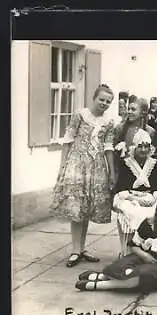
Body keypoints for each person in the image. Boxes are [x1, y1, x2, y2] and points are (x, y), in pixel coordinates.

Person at [75, 176, 157, 292]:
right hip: (148, 258)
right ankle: (101, 276)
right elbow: (133, 245)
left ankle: (99, 285)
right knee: (123, 265)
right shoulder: (151, 221)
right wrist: (145, 256)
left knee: (143, 275)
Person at [50, 84, 117, 267]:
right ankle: (75, 249)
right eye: (101, 99)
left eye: (108, 101)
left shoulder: (109, 122)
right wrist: (63, 166)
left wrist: (111, 171)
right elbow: (68, 139)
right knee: (77, 208)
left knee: (87, 208)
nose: (104, 103)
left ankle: (82, 248)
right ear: (94, 98)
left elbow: (108, 147)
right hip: (77, 164)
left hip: (96, 167)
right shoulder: (81, 115)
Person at [113, 129, 157, 257]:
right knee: (129, 211)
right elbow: (122, 186)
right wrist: (132, 197)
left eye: (146, 146)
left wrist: (154, 197)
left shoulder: (155, 164)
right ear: (134, 148)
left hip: (149, 197)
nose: (143, 150)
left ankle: (147, 249)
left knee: (155, 212)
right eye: (140, 146)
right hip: (130, 197)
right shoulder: (126, 163)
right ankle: (127, 250)